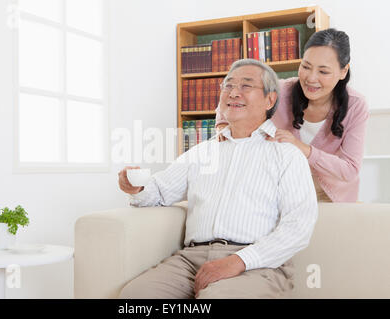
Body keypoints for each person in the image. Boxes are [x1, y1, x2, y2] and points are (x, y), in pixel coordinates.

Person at [117, 59, 318, 299]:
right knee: (136, 296)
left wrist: (239, 261)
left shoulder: (287, 155)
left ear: (269, 99)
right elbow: (159, 192)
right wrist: (137, 188)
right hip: (191, 260)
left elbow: (298, 227)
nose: (234, 92)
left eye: (246, 86)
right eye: (228, 85)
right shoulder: (201, 153)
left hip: (257, 265)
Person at [216, 28, 369, 203]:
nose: (311, 78)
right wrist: (222, 125)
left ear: (343, 71)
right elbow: (234, 95)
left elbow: (350, 169)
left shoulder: (356, 105)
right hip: (283, 191)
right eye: (306, 66)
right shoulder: (281, 91)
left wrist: (302, 148)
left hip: (331, 198)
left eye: (323, 72)